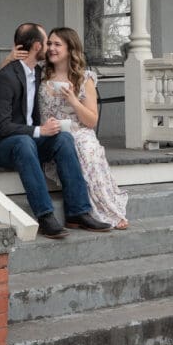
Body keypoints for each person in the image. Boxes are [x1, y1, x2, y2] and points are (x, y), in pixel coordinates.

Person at [0, 22, 111, 239]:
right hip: (4, 146)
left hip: (30, 142)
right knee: (24, 141)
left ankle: (78, 212)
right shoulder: (6, 78)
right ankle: (45, 215)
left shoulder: (39, 74)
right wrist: (40, 130)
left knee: (64, 138)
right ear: (38, 46)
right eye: (47, 42)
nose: (50, 47)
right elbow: (2, 127)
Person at [40, 27, 128, 230]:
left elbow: (91, 121)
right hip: (50, 133)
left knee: (88, 149)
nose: (51, 48)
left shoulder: (84, 78)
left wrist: (73, 100)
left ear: (70, 49)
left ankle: (106, 211)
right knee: (70, 144)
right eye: (49, 44)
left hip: (78, 130)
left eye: (57, 44)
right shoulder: (40, 74)